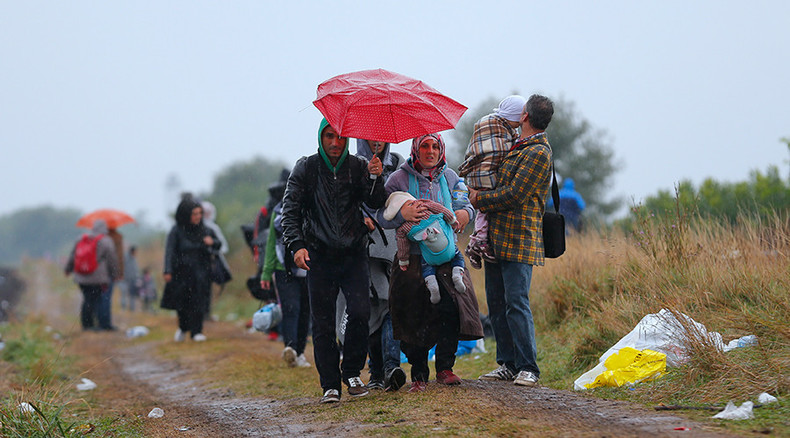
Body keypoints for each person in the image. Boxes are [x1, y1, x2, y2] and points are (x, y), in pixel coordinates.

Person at [280, 119, 386, 404]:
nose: (335, 142)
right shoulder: (306, 168)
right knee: (323, 322)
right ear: (321, 137)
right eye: (329, 136)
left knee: (361, 311)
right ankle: (330, 385)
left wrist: (376, 177)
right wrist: (297, 247)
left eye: (340, 137)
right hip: (319, 255)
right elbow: (288, 213)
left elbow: (375, 203)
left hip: (354, 253)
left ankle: (351, 371)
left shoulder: (358, 166)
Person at [377, 133, 484, 393]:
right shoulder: (398, 179)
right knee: (414, 315)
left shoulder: (449, 177)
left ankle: (445, 368)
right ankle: (419, 374)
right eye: (424, 145)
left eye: (435, 146)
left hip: (445, 255)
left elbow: (466, 203)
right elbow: (382, 216)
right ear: (415, 149)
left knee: (451, 309)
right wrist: (403, 214)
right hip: (411, 259)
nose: (430, 151)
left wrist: (462, 213)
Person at [469, 94, 555, 387]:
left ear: (525, 117)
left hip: (520, 239)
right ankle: (507, 363)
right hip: (498, 238)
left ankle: (529, 366)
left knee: (516, 303)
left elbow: (515, 194)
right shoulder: (518, 145)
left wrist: (479, 199)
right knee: (497, 303)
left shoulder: (538, 152)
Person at [355, 139, 406, 392]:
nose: (377, 141)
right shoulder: (352, 164)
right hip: (366, 247)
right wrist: (360, 216)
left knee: (392, 305)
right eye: (370, 137)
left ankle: (389, 367)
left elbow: (405, 197)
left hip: (396, 245)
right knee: (374, 305)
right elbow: (344, 201)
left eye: (381, 137)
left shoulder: (398, 163)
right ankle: (376, 370)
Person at [458, 95, 527, 269]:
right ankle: (479, 241)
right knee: (485, 211)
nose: (518, 126)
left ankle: (475, 242)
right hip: (485, 175)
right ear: (513, 116)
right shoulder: (498, 128)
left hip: (476, 174)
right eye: (518, 121)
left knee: (483, 211)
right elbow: (497, 150)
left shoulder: (487, 121)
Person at [261, 172, 312, 369]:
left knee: (305, 311)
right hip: (284, 268)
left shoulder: (311, 208)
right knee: (291, 309)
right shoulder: (278, 212)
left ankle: (300, 352)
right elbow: (272, 243)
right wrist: (266, 272)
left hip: (309, 267)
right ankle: (290, 348)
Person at [383, 191, 466, 304]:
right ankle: (457, 273)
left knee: (426, 266)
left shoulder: (403, 227)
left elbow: (402, 245)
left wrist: (403, 260)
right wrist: (452, 220)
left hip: (428, 256)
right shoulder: (425, 204)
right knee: (458, 256)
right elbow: (441, 209)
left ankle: (431, 282)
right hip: (449, 249)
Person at [162, 198, 220, 342]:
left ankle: (197, 332)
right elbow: (169, 251)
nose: (198, 217)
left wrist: (212, 242)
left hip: (201, 273)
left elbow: (218, 244)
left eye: (200, 213)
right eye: (194, 214)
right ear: (186, 215)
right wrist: (167, 270)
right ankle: (183, 327)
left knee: (199, 302)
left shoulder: (205, 230)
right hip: (181, 274)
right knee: (182, 304)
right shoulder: (176, 231)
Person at [65, 219, 120, 331]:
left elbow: (73, 256)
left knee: (87, 299)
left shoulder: (81, 238)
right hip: (98, 278)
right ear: (104, 229)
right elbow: (112, 259)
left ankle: (87, 324)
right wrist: (115, 274)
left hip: (82, 277)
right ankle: (100, 324)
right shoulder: (106, 241)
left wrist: (68, 269)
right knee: (99, 301)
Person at [98, 225, 124, 329]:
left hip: (95, 274)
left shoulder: (97, 238)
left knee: (98, 299)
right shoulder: (116, 238)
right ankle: (105, 324)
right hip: (108, 274)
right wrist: (118, 273)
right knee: (106, 298)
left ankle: (97, 322)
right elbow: (117, 258)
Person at [121, 246, 140, 311]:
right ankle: (123, 307)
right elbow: (123, 267)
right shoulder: (125, 258)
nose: (136, 253)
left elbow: (136, 269)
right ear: (132, 251)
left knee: (132, 294)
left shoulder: (134, 258)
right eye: (135, 252)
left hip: (133, 279)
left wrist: (137, 278)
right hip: (125, 279)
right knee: (124, 292)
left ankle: (132, 308)